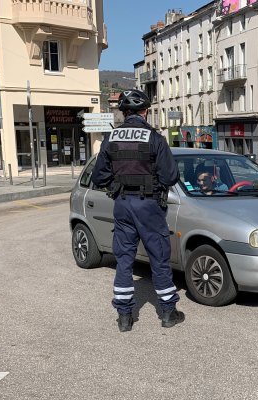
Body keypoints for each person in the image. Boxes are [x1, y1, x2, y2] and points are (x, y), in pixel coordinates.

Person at [91, 89, 185, 332]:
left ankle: (124, 317)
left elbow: (99, 176)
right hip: (149, 206)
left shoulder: (111, 138)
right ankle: (167, 312)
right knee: (159, 258)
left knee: (124, 259)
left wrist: (117, 186)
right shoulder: (154, 138)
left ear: (123, 112)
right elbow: (171, 175)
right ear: (145, 111)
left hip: (123, 204)